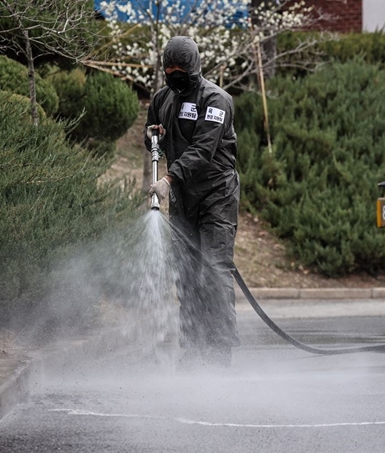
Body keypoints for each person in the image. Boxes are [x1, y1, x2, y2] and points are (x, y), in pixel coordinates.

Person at [146, 36, 240, 367]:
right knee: (186, 273)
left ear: (193, 66)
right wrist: (152, 134)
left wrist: (169, 179)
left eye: (179, 69)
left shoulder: (217, 100)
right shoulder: (161, 98)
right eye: (168, 69)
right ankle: (193, 345)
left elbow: (203, 149)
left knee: (214, 270)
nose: (174, 75)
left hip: (217, 196)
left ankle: (219, 350)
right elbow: (151, 134)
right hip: (184, 199)